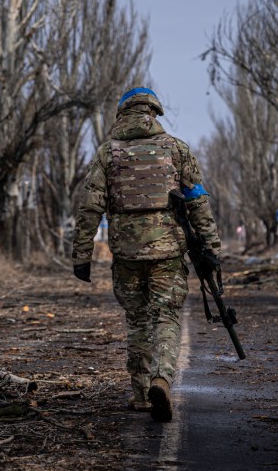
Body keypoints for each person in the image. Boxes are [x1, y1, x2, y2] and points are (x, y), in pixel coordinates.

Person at [71, 86, 222, 422]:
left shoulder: (107, 154)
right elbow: (198, 201)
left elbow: (90, 206)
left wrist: (81, 254)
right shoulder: (177, 150)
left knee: (138, 320)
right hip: (168, 252)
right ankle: (161, 379)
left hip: (126, 254)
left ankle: (141, 394)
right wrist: (212, 248)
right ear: (154, 112)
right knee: (166, 317)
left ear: (122, 114)